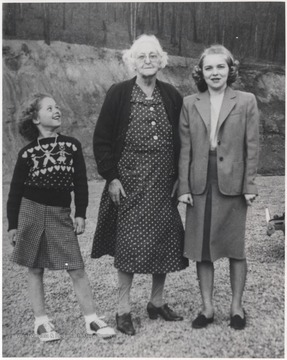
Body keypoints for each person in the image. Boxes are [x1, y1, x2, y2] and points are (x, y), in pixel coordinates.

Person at [92, 34, 188, 335]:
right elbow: (102, 140)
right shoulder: (118, 93)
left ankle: (156, 302)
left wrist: (179, 180)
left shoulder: (172, 95)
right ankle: (123, 310)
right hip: (129, 185)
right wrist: (112, 178)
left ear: (161, 60)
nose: (147, 61)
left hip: (163, 184)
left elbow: (183, 142)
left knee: (165, 240)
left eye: (153, 56)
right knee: (129, 246)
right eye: (141, 56)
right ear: (133, 61)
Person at [7, 94, 116, 341]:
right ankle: (41, 322)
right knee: (35, 268)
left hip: (60, 214)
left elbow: (80, 183)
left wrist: (81, 214)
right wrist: (13, 224)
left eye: (57, 107)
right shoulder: (27, 153)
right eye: (49, 108)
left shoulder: (72, 146)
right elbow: (15, 191)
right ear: (35, 118)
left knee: (76, 267)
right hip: (31, 211)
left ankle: (91, 320)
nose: (56, 110)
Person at [178, 45, 259, 330]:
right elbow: (185, 149)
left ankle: (237, 308)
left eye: (220, 67)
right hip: (200, 182)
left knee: (235, 248)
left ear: (230, 70)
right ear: (201, 72)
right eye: (209, 68)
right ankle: (207, 308)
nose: (215, 73)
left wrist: (249, 184)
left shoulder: (246, 100)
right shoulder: (190, 102)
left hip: (233, 183)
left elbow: (252, 145)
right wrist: (184, 187)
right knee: (203, 249)